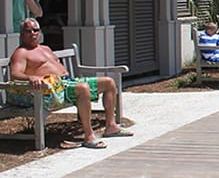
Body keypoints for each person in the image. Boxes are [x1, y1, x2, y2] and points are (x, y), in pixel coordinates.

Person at [9, 19, 132, 149]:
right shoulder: (21, 52)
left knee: (108, 82)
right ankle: (89, 136)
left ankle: (111, 126)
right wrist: (31, 78)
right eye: (28, 31)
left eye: (36, 30)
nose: (33, 33)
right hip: (53, 89)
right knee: (83, 88)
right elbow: (15, 73)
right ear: (22, 34)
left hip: (68, 81)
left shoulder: (45, 48)